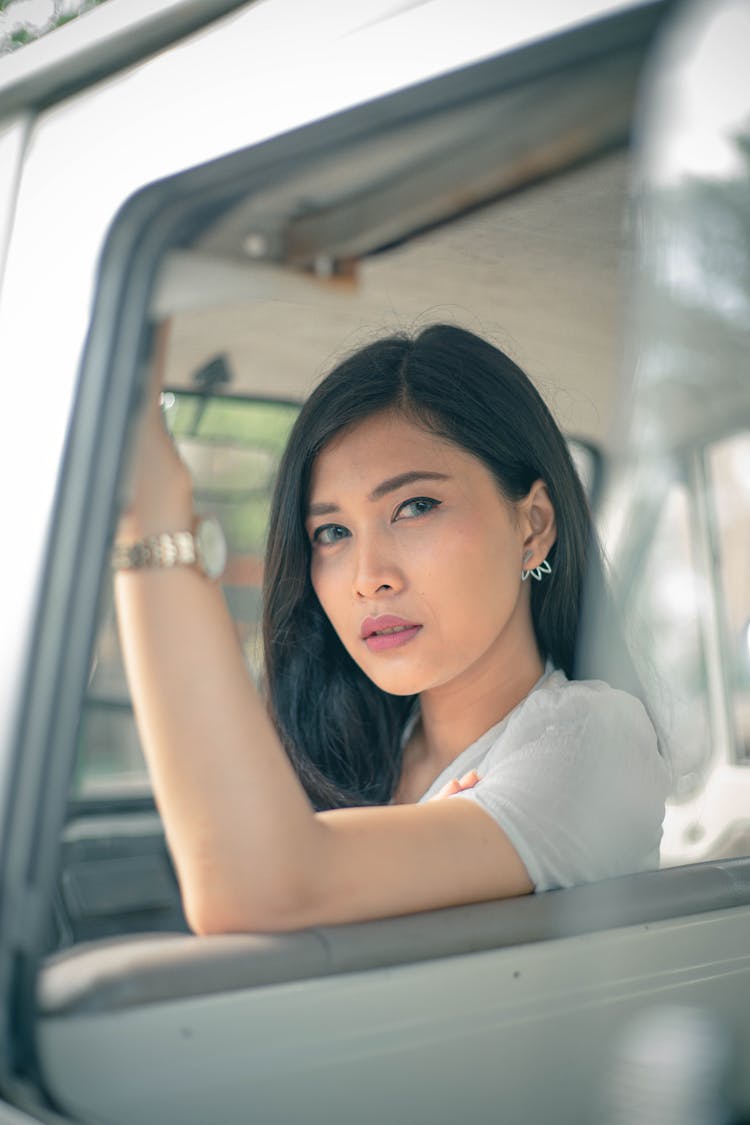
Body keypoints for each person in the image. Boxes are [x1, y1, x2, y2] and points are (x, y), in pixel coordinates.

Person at [114, 323, 669, 935]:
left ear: (533, 525)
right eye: (332, 532)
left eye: (415, 507)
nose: (367, 577)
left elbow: (256, 884)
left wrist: (151, 514)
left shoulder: (594, 740)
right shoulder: (357, 750)